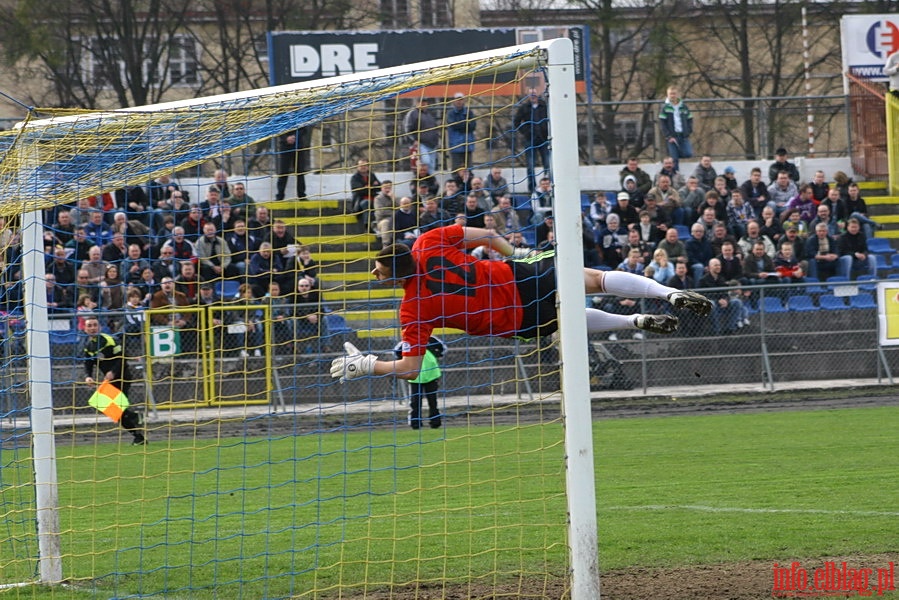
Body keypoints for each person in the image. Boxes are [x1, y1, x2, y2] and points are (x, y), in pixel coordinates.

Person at [329, 225, 712, 382]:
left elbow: (412, 368)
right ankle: (667, 293)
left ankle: (633, 322)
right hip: (518, 274)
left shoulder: (412, 308)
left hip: (517, 320)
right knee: (593, 278)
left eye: (379, 272)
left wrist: (368, 365)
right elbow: (491, 235)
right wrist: (520, 252)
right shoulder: (427, 242)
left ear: (397, 274)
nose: (376, 275)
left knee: (567, 321)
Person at [82, 316, 145, 445]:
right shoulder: (88, 345)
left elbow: (122, 357)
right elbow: (88, 362)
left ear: (99, 327)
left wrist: (113, 372)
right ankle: (135, 423)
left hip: (123, 377)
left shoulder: (109, 340)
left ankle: (137, 433)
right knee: (113, 410)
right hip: (109, 381)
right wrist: (88, 376)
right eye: (89, 326)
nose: (92, 328)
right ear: (85, 328)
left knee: (117, 410)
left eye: (95, 325)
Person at [396, 336, 446, 430]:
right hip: (415, 377)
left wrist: (436, 354)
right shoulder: (407, 341)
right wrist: (404, 361)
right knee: (415, 402)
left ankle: (435, 422)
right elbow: (397, 351)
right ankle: (415, 423)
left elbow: (443, 348)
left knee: (433, 401)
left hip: (431, 375)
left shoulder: (431, 339)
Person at [513, 88, 550, 194]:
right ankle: (532, 188)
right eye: (531, 94)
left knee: (547, 164)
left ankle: (548, 186)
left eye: (534, 94)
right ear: (528, 96)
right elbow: (516, 122)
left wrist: (546, 131)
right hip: (530, 140)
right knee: (530, 165)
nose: (533, 96)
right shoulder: (524, 108)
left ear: (538, 95)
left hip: (544, 139)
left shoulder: (545, 106)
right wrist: (526, 132)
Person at [658, 85, 693, 171]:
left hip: (683, 135)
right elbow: (662, 123)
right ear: (668, 95)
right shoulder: (665, 108)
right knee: (674, 159)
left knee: (688, 153)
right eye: (670, 94)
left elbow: (690, 119)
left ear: (678, 94)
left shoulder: (684, 107)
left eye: (674, 94)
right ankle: (676, 175)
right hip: (672, 136)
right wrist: (668, 136)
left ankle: (675, 153)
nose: (672, 96)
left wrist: (688, 131)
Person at [404, 97, 440, 170]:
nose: (423, 103)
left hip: (432, 144)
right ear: (417, 103)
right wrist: (414, 140)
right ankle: (422, 181)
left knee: (431, 166)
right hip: (421, 143)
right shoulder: (412, 113)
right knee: (425, 163)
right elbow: (407, 129)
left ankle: (430, 181)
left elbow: (435, 128)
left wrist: (437, 140)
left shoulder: (429, 114)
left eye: (425, 102)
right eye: (421, 102)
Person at [445, 93, 477, 171]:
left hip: (467, 145)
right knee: (456, 169)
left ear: (463, 101)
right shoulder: (450, 114)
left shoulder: (469, 112)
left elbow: (473, 126)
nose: (459, 102)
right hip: (456, 146)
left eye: (461, 99)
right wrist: (466, 124)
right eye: (457, 100)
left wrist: (460, 124)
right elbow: (454, 125)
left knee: (469, 169)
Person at [276, 127, 308, 201]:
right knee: (283, 171)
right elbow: (278, 128)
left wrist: (295, 136)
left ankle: (302, 195)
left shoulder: (300, 116)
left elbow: (304, 129)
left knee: (300, 171)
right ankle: (280, 196)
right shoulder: (281, 115)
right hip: (285, 147)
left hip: (298, 147)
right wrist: (286, 138)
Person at [349, 159, 382, 229]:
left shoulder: (372, 175)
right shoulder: (354, 178)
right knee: (366, 203)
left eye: (365, 165)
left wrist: (367, 187)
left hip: (373, 198)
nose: (363, 167)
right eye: (361, 165)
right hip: (360, 201)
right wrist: (372, 187)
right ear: (357, 167)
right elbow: (359, 191)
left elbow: (379, 187)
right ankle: (367, 225)